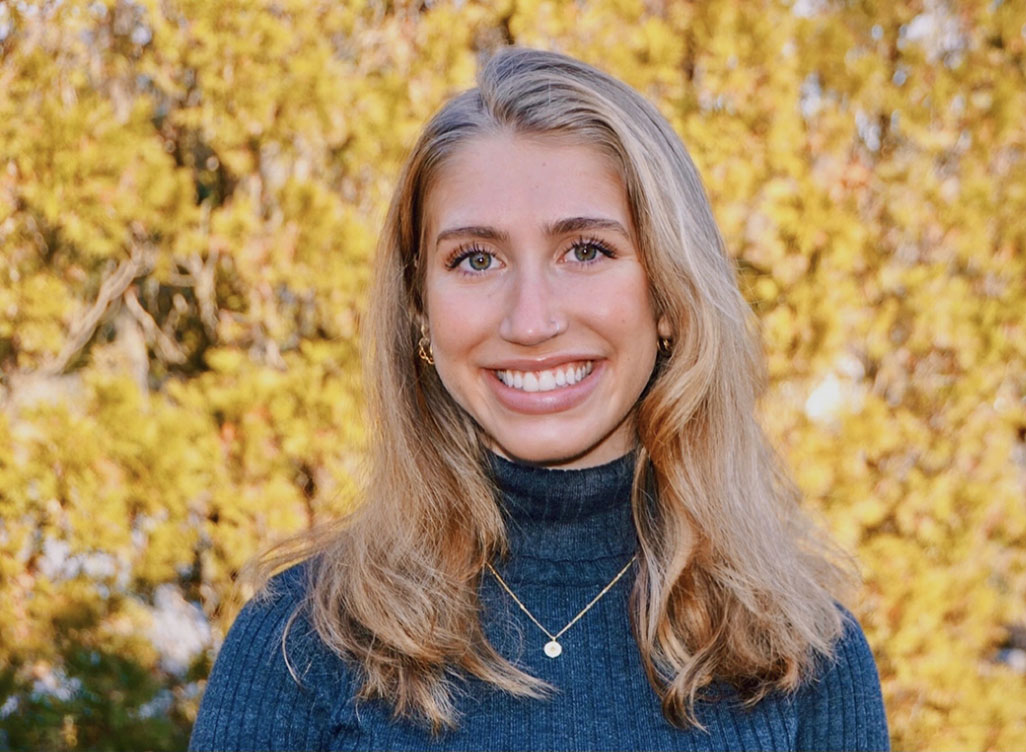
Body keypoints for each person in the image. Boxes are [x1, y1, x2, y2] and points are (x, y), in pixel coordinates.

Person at [189, 47, 889, 751]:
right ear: (420, 313)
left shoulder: (804, 657)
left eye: (586, 250)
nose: (530, 321)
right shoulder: (301, 645)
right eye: (475, 259)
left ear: (672, 296)